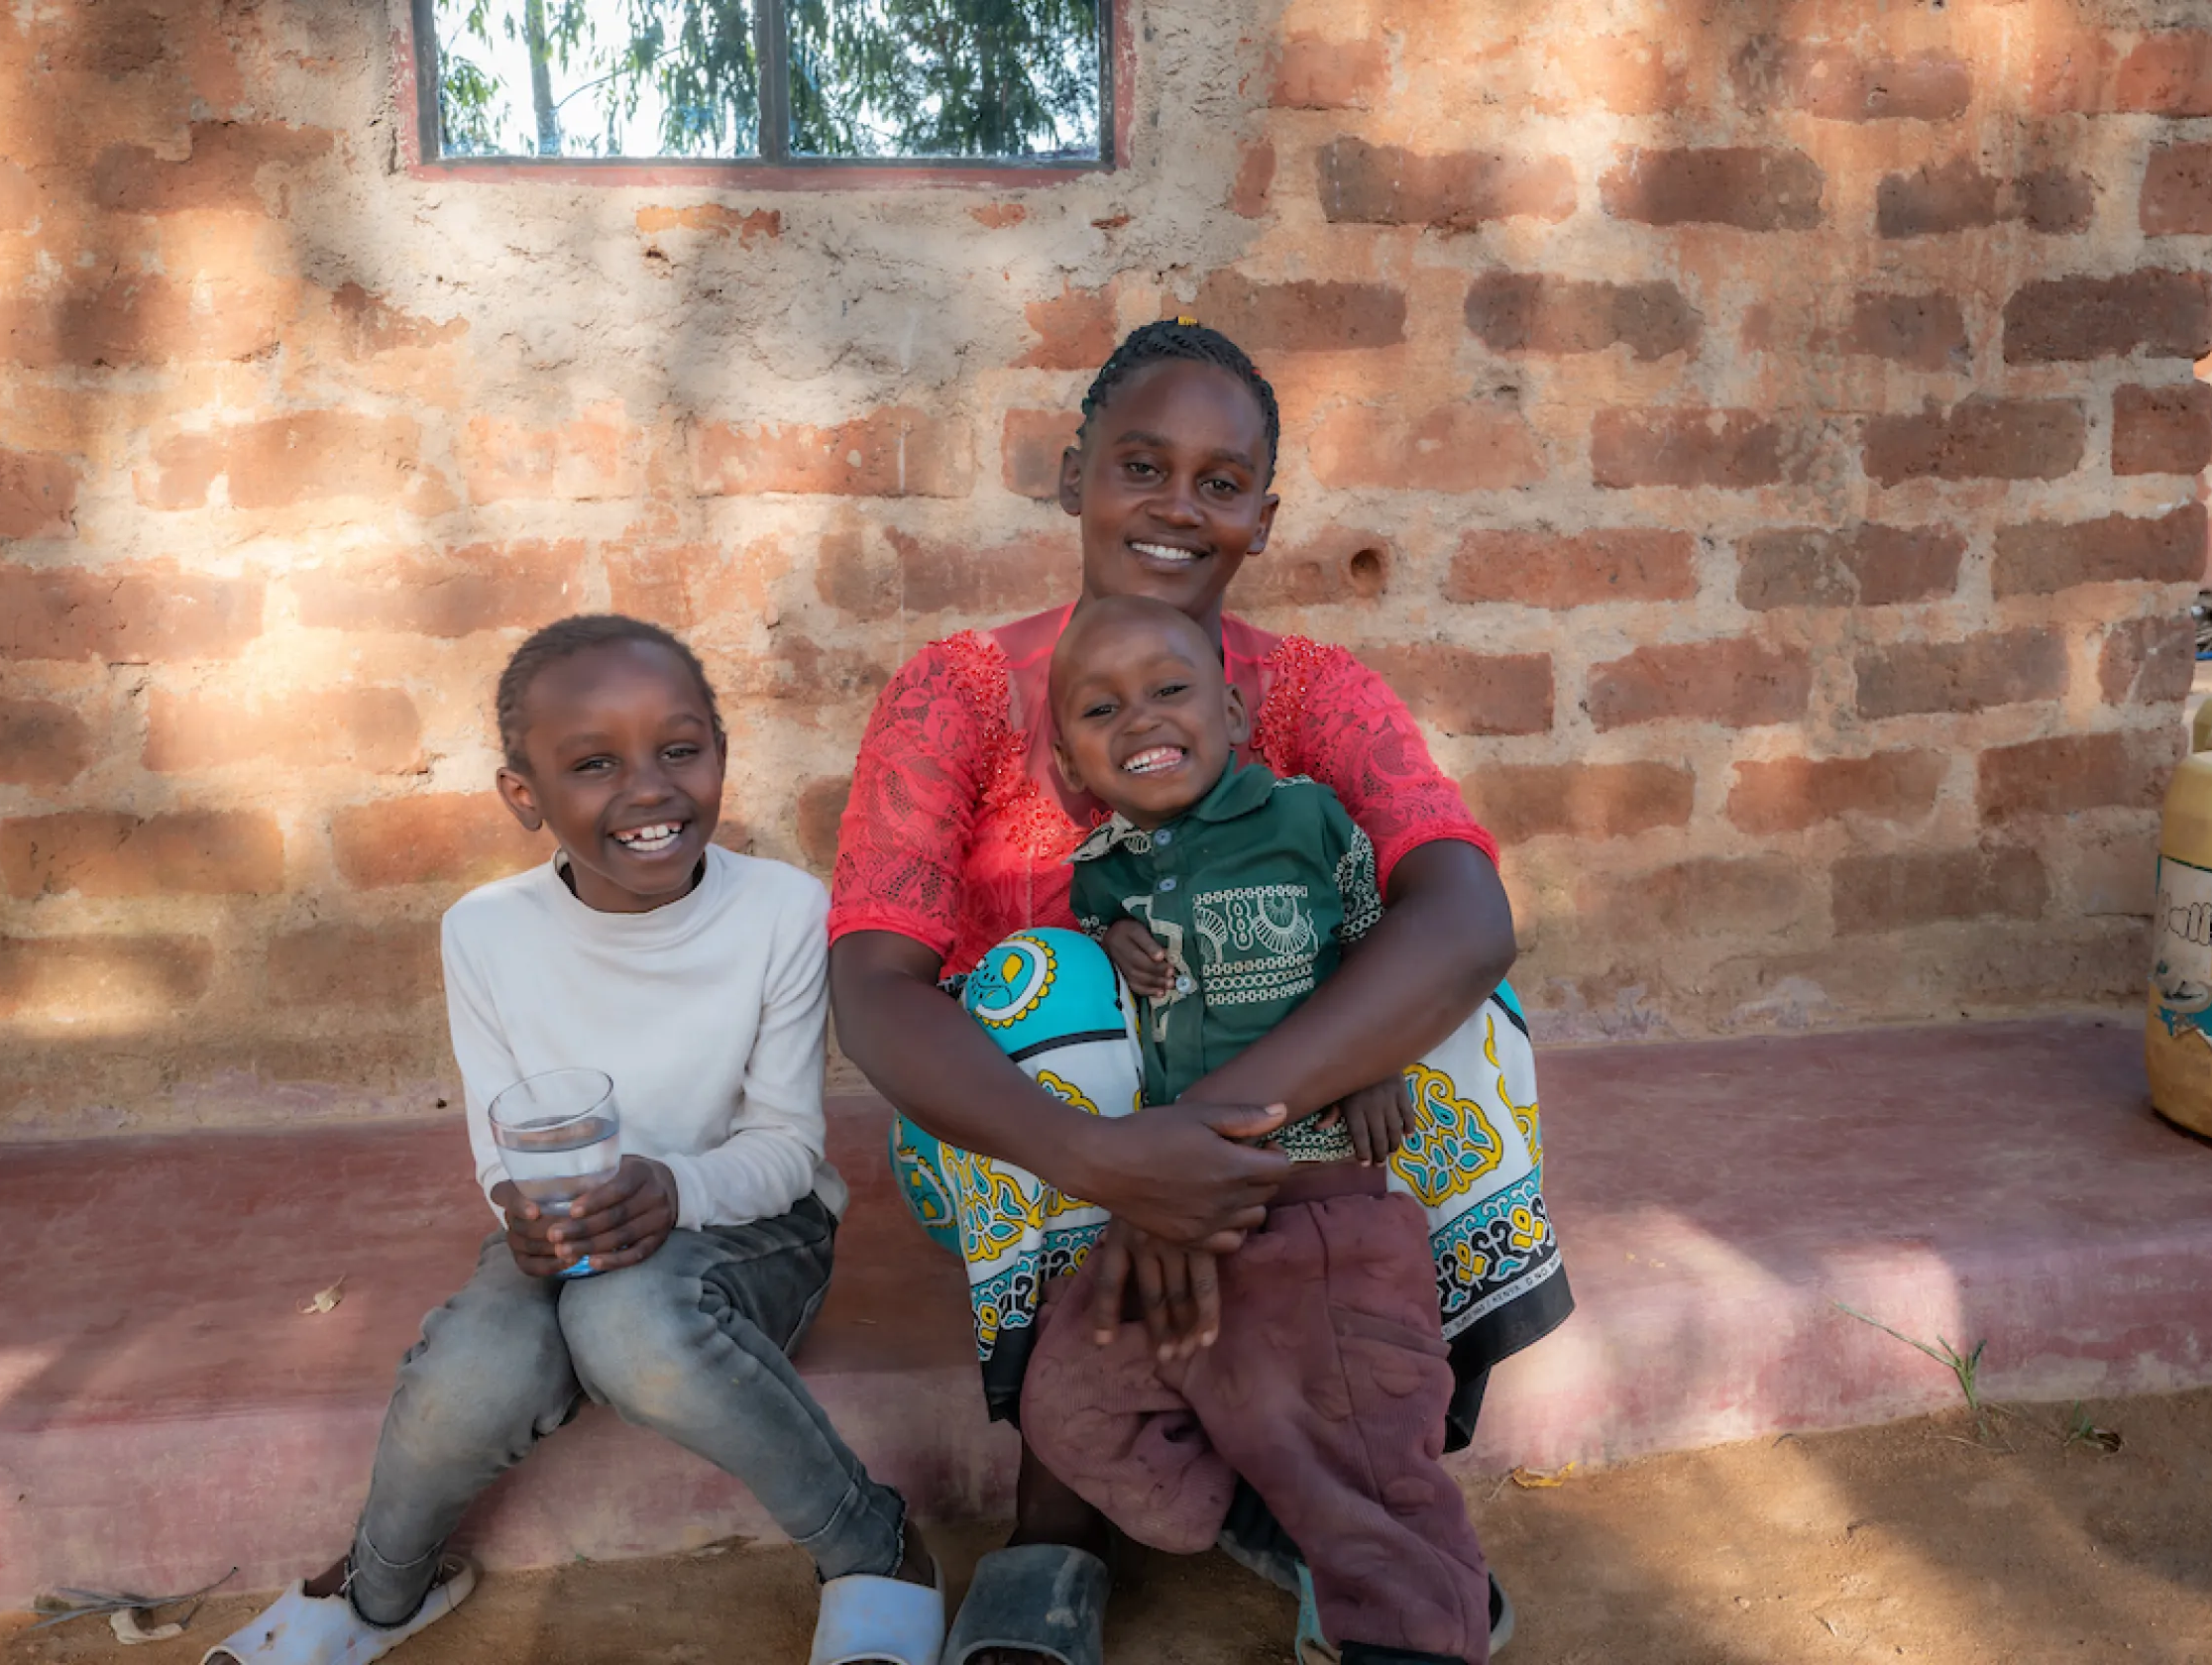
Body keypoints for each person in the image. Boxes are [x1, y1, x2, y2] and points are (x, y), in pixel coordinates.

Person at [829, 320, 1573, 1665]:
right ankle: (1055, 1520)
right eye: (1142, 466)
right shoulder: (960, 692)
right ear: (1075, 478)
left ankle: (1341, 1472)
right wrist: (1109, 1157)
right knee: (1049, 981)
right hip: (1017, 1138)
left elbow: (1466, 916)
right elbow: (873, 989)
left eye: (1221, 484)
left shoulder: (1310, 694)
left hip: (1259, 1147)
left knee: (1463, 1016)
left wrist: (1197, 1145)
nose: (1179, 507)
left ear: (1265, 519)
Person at [205, 615, 944, 1665]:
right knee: (477, 1361)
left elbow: (784, 1147)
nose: (649, 791)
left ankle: (874, 1550)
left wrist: (671, 1190)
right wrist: (525, 1211)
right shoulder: (485, 931)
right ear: (525, 796)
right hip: (567, 1232)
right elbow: (501, 1145)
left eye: (680, 750)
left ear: (721, 756)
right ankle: (380, 1591)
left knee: (628, 1321)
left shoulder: (781, 912)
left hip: (753, 1227)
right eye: (593, 765)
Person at [1021, 593, 1493, 1665]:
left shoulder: (1307, 817)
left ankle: (1411, 1633)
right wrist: (1123, 934)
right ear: (1069, 757)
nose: (1140, 720)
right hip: (1174, 1207)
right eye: (1102, 710)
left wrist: (1380, 1062)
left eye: (1171, 691)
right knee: (1071, 1399)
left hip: (1319, 1203)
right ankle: (1260, 1512)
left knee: (1365, 1458)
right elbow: (1095, 916)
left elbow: (1383, 931)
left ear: (1233, 710)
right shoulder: (1108, 862)